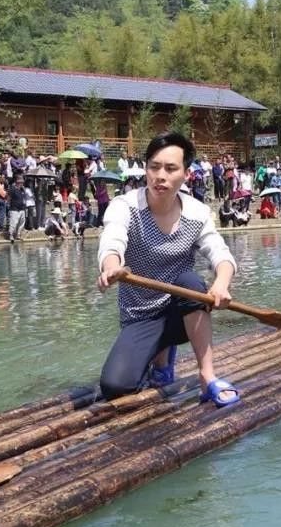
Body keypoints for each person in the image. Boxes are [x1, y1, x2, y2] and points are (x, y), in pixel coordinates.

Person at [96, 131, 239, 407]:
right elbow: (112, 241)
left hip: (183, 311)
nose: (160, 175)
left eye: (171, 168)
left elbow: (221, 254)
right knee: (116, 386)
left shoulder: (196, 213)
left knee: (191, 282)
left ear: (186, 174)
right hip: (140, 316)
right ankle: (160, 353)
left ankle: (207, 376)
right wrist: (112, 267)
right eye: (154, 167)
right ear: (146, 169)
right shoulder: (125, 206)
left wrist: (221, 283)